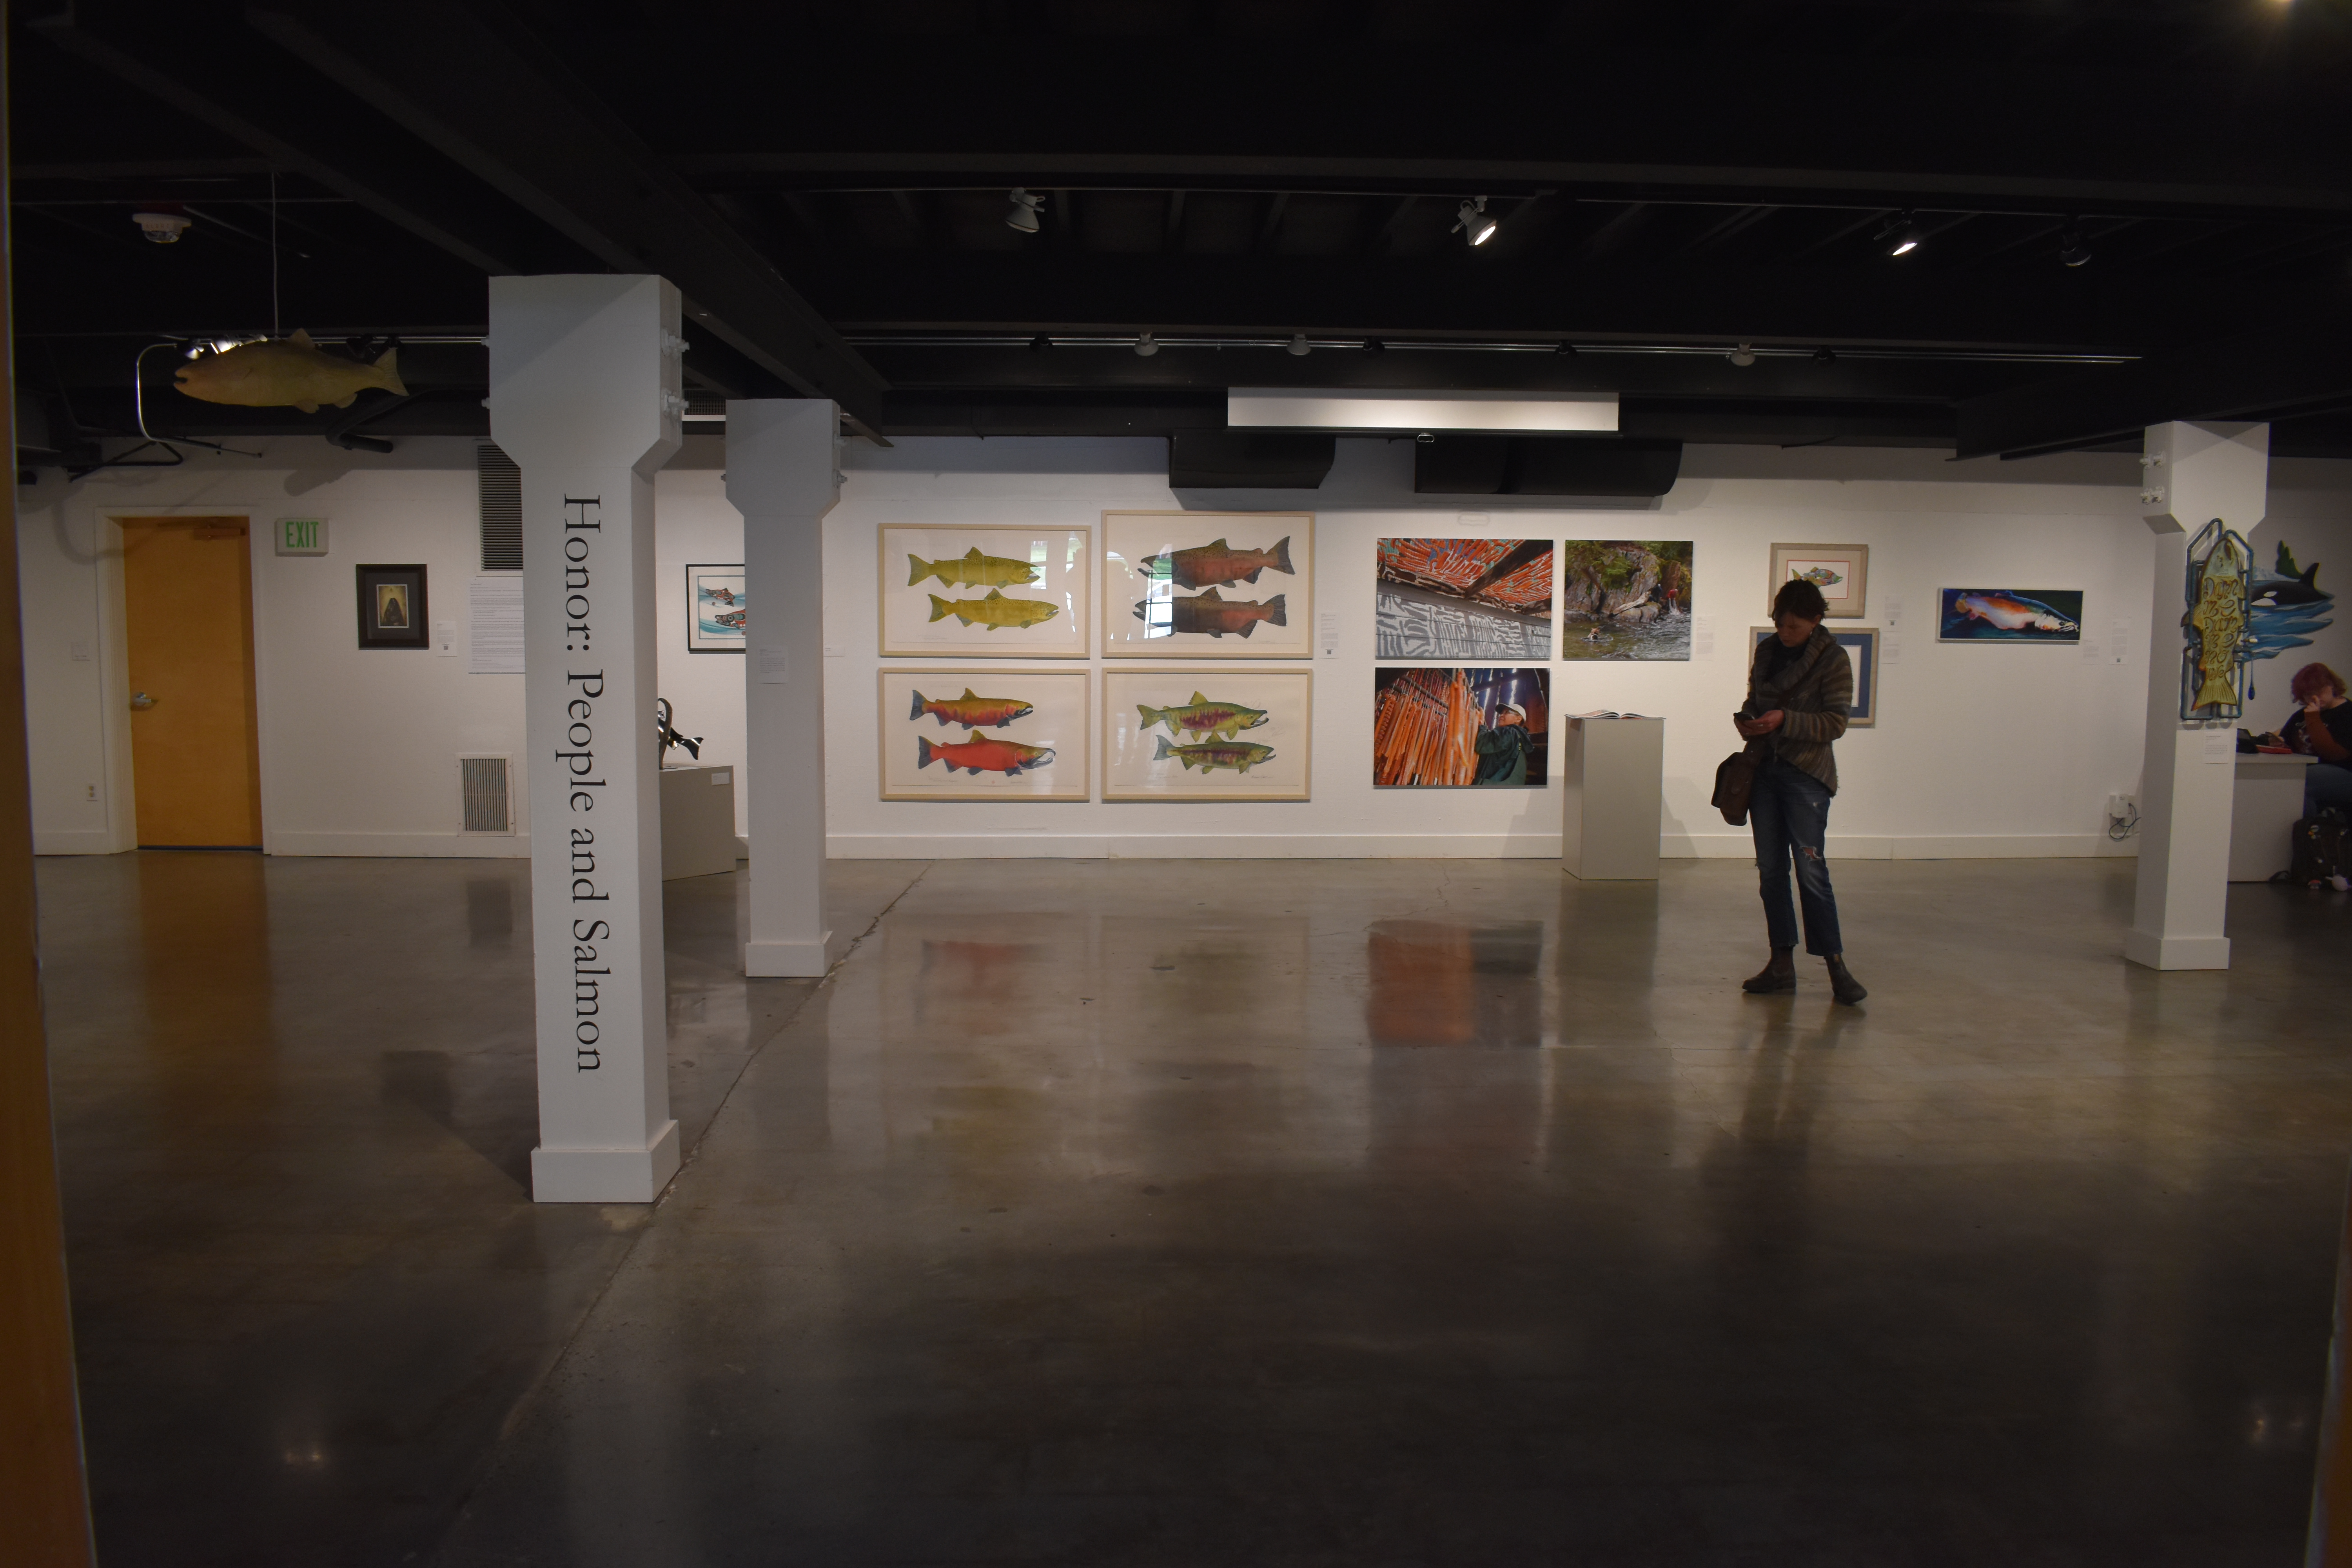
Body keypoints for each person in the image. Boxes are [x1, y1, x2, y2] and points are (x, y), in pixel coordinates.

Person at [1735, 579, 1866, 1004]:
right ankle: (1780, 963)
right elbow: (1756, 697)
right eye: (1779, 624)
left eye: (1793, 626)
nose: (1784, 632)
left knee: (1811, 872)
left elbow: (1836, 723)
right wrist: (1750, 719)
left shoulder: (1833, 659)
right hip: (1765, 772)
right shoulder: (1768, 651)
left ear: (1815, 620)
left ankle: (1836, 966)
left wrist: (1783, 720)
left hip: (1805, 776)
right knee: (1771, 871)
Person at [2281, 661, 2352, 819]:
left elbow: (2334, 754)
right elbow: (2287, 739)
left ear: (2331, 686)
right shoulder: (2301, 716)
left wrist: (2313, 718)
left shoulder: (2347, 713)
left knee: (2301, 782)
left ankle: (2309, 834)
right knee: (2284, 778)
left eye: (2319, 691)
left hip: (2343, 771)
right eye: (2308, 695)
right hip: (2306, 768)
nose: (2314, 698)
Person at [1472, 702, 1532, 786]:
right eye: (1501, 713)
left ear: (1518, 719)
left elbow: (1481, 745)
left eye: (1507, 712)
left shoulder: (1509, 732)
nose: (1501, 715)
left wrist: (1481, 725)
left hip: (1491, 787)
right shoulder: (1521, 739)